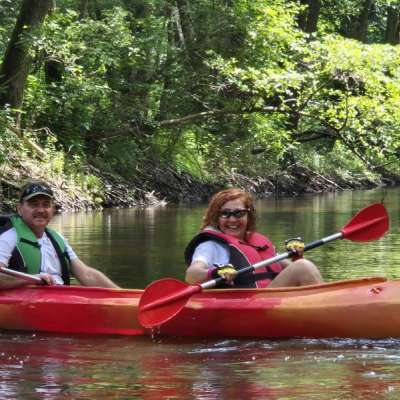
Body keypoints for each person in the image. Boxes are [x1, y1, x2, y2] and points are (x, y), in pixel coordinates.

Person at [185, 188, 323, 288]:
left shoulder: (258, 243)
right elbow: (191, 275)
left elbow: (293, 270)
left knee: (303, 264)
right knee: (303, 267)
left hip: (270, 299)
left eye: (239, 213)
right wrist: (215, 273)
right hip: (247, 303)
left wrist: (297, 256)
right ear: (216, 217)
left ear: (248, 216)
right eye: (225, 214)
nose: (232, 219)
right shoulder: (209, 246)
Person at [0, 180, 119, 289]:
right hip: (25, 305)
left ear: (53, 210)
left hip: (59, 299)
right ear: (20, 209)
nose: (41, 210)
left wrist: (121, 295)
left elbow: (87, 275)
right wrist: (29, 280)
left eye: (46, 205)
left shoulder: (57, 239)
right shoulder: (7, 238)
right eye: (34, 204)